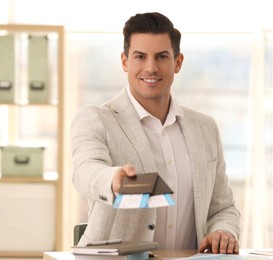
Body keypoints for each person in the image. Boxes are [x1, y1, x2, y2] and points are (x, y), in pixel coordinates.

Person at [71, 12, 241, 254]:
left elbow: (223, 208)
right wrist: (112, 179)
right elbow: (85, 171)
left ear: (178, 62)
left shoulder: (205, 128)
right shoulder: (96, 118)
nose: (151, 68)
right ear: (124, 61)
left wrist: (224, 231)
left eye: (161, 57)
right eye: (140, 57)